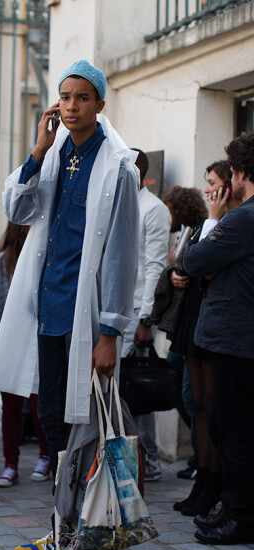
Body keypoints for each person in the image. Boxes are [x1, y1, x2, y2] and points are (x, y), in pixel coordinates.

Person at [0, 59, 139, 550]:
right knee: (52, 423)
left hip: (87, 319)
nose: (71, 106)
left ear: (99, 103)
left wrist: (109, 331)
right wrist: (36, 150)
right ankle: (65, 527)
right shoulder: (53, 158)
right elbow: (18, 208)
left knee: (85, 431)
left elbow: (122, 255)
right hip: (49, 315)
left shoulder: (117, 165)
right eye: (64, 97)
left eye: (81, 97)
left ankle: (82, 539)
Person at [183, 131, 254, 544]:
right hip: (239, 339)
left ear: (241, 173)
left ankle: (241, 514)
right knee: (233, 428)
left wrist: (212, 220)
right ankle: (233, 506)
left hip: (236, 341)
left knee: (235, 430)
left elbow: (193, 259)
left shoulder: (243, 217)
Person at [171, 166, 239, 518]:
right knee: (197, 401)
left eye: (212, 184)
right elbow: (184, 259)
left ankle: (214, 479)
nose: (207, 190)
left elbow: (205, 265)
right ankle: (203, 479)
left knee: (212, 403)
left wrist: (214, 218)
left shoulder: (232, 221)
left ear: (229, 186)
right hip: (195, 312)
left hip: (214, 315)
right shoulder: (204, 223)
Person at [0, 221, 50, 486]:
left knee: (39, 406)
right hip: (9, 343)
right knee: (10, 406)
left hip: (38, 344)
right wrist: (9, 331)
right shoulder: (0, 262)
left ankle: (45, 457)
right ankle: (10, 464)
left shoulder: (46, 257)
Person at [121, 149, 171, 482]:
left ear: (138, 171)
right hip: (116, 311)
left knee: (136, 389)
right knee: (121, 388)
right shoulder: (122, 204)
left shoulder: (154, 210)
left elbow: (156, 267)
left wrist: (146, 319)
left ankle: (149, 458)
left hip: (137, 312)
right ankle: (133, 455)